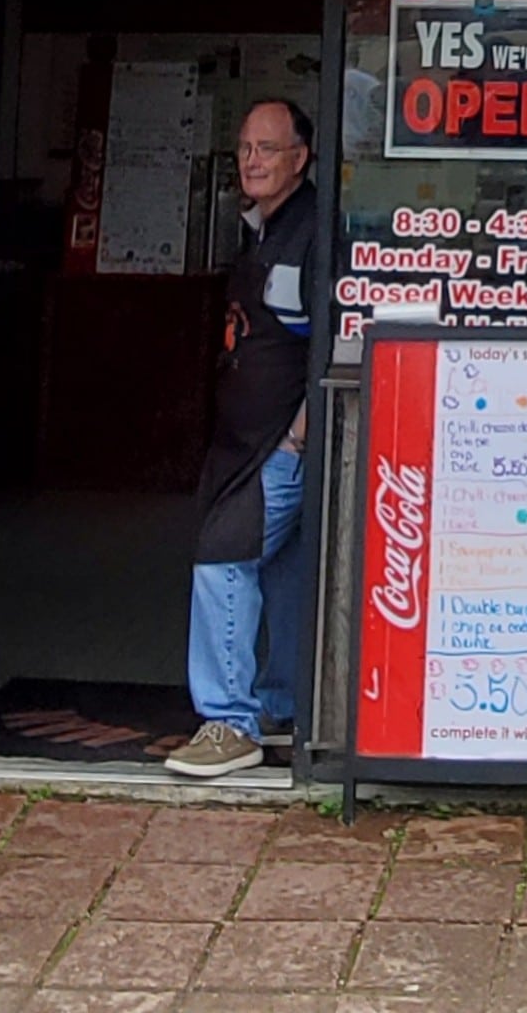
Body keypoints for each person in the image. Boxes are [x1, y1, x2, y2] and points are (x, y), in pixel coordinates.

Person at [166, 99, 317, 778]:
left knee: (223, 558)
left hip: (275, 450)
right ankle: (283, 707)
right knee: (280, 571)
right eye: (246, 149)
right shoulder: (260, 227)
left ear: (300, 158)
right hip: (242, 445)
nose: (252, 162)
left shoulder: (313, 232)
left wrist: (297, 437)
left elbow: (339, 338)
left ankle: (229, 722)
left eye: (268, 149)